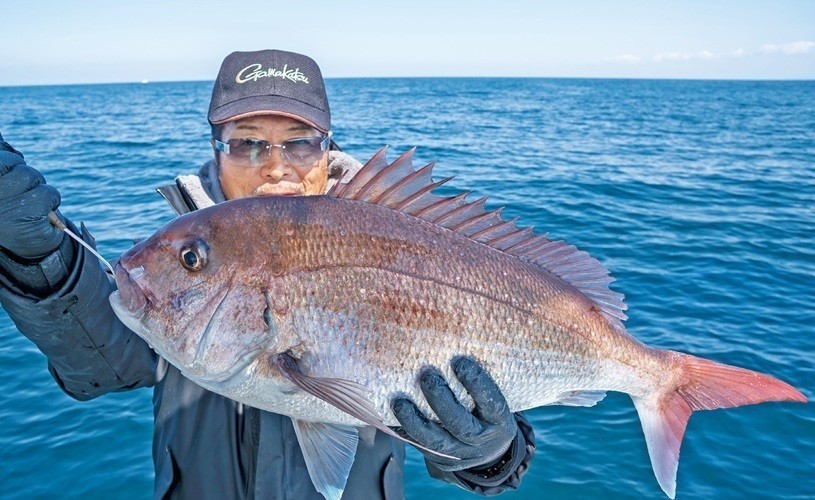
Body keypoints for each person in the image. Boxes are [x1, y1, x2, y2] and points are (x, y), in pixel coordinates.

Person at [0, 49, 535, 499]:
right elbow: (102, 363)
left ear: (328, 149)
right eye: (247, 143)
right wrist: (41, 261)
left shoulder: (398, 237)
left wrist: (493, 456)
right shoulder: (186, 257)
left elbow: (492, 362)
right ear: (218, 150)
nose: (275, 166)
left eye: (300, 141)